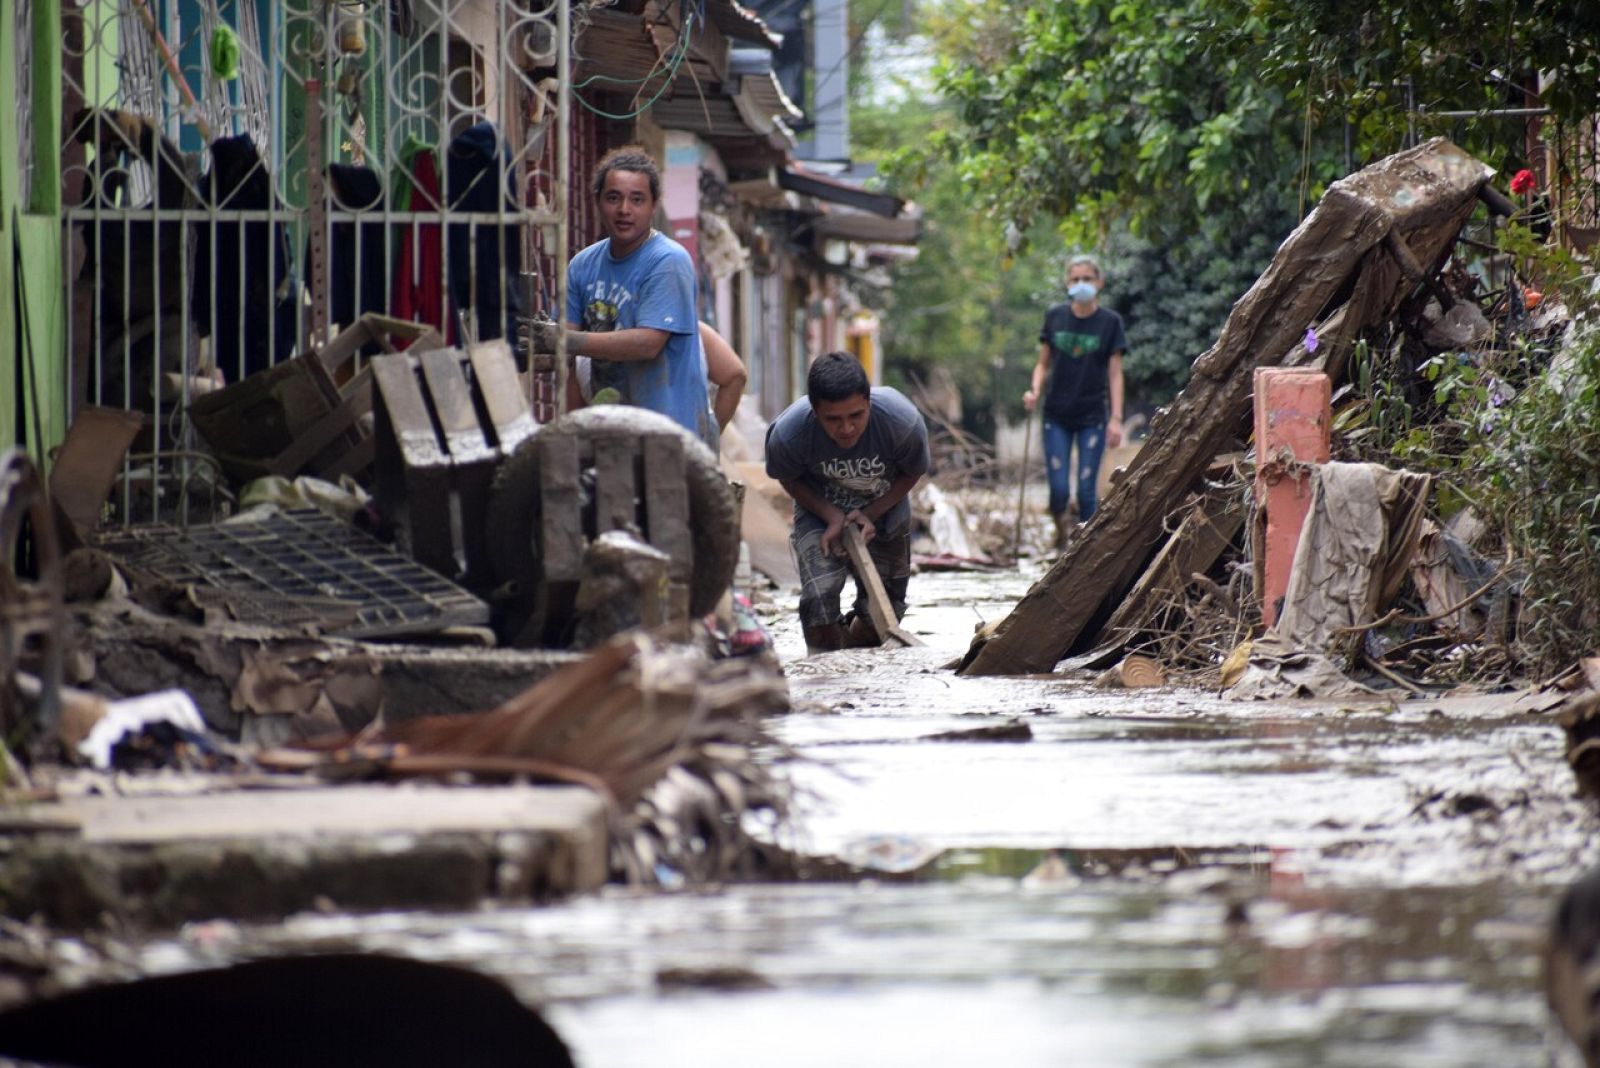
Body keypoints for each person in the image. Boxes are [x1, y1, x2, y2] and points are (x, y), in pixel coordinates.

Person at [537, 146, 717, 449]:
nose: (624, 209)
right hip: (609, 436)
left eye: (637, 199)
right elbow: (563, 350)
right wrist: (532, 347)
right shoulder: (583, 264)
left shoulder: (668, 261)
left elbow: (647, 343)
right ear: (597, 201)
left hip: (669, 439)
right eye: (613, 198)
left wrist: (565, 340)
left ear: (653, 205)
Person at [766, 351, 932, 654]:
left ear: (869, 402)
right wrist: (831, 515)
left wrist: (872, 512)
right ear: (814, 410)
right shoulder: (790, 435)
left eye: (856, 415)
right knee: (819, 602)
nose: (846, 428)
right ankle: (826, 669)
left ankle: (855, 653)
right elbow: (788, 477)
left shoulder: (901, 423)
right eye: (833, 419)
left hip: (885, 507)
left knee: (884, 614)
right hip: (819, 510)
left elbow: (912, 471)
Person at [1023, 254, 1127, 549]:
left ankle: (1086, 548)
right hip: (1056, 414)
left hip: (1092, 416)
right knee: (1058, 489)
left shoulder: (1110, 322)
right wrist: (1034, 390)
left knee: (1085, 490)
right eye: (1075, 279)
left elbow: (1115, 373)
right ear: (1067, 283)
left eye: (1087, 279)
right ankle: (1060, 533)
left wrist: (1116, 418)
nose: (1081, 284)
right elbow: (1042, 363)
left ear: (1099, 282)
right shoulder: (1055, 316)